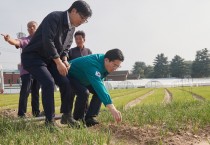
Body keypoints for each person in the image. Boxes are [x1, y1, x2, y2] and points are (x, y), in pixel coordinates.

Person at [21, 0, 92, 126]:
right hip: (33, 56)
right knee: (48, 82)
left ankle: (67, 115)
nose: (82, 21)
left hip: (49, 59)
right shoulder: (55, 17)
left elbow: (65, 49)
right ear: (74, 11)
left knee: (66, 82)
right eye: (82, 17)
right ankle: (50, 122)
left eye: (85, 20)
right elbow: (48, 41)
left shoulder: (72, 29)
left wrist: (64, 60)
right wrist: (58, 62)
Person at [67, 48, 124, 127]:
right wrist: (112, 108)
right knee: (84, 92)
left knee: (99, 92)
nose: (115, 69)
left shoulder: (105, 63)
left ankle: (89, 118)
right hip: (70, 75)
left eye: (118, 66)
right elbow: (98, 86)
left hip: (84, 78)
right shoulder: (93, 64)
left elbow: (101, 85)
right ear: (106, 60)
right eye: (114, 65)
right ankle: (77, 120)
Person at [1, 21, 41, 117]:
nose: (31, 28)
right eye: (29, 27)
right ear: (27, 29)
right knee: (25, 92)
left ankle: (36, 113)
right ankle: (21, 113)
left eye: (33, 26)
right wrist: (9, 39)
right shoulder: (25, 40)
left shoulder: (41, 40)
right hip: (27, 71)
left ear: (37, 28)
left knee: (36, 93)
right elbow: (16, 42)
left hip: (38, 71)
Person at [68, 30, 92, 121]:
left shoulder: (88, 51)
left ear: (84, 39)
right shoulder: (71, 51)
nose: (78, 40)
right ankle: (69, 116)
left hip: (84, 78)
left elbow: (90, 65)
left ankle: (85, 114)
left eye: (79, 38)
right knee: (70, 96)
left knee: (85, 96)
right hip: (73, 78)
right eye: (76, 39)